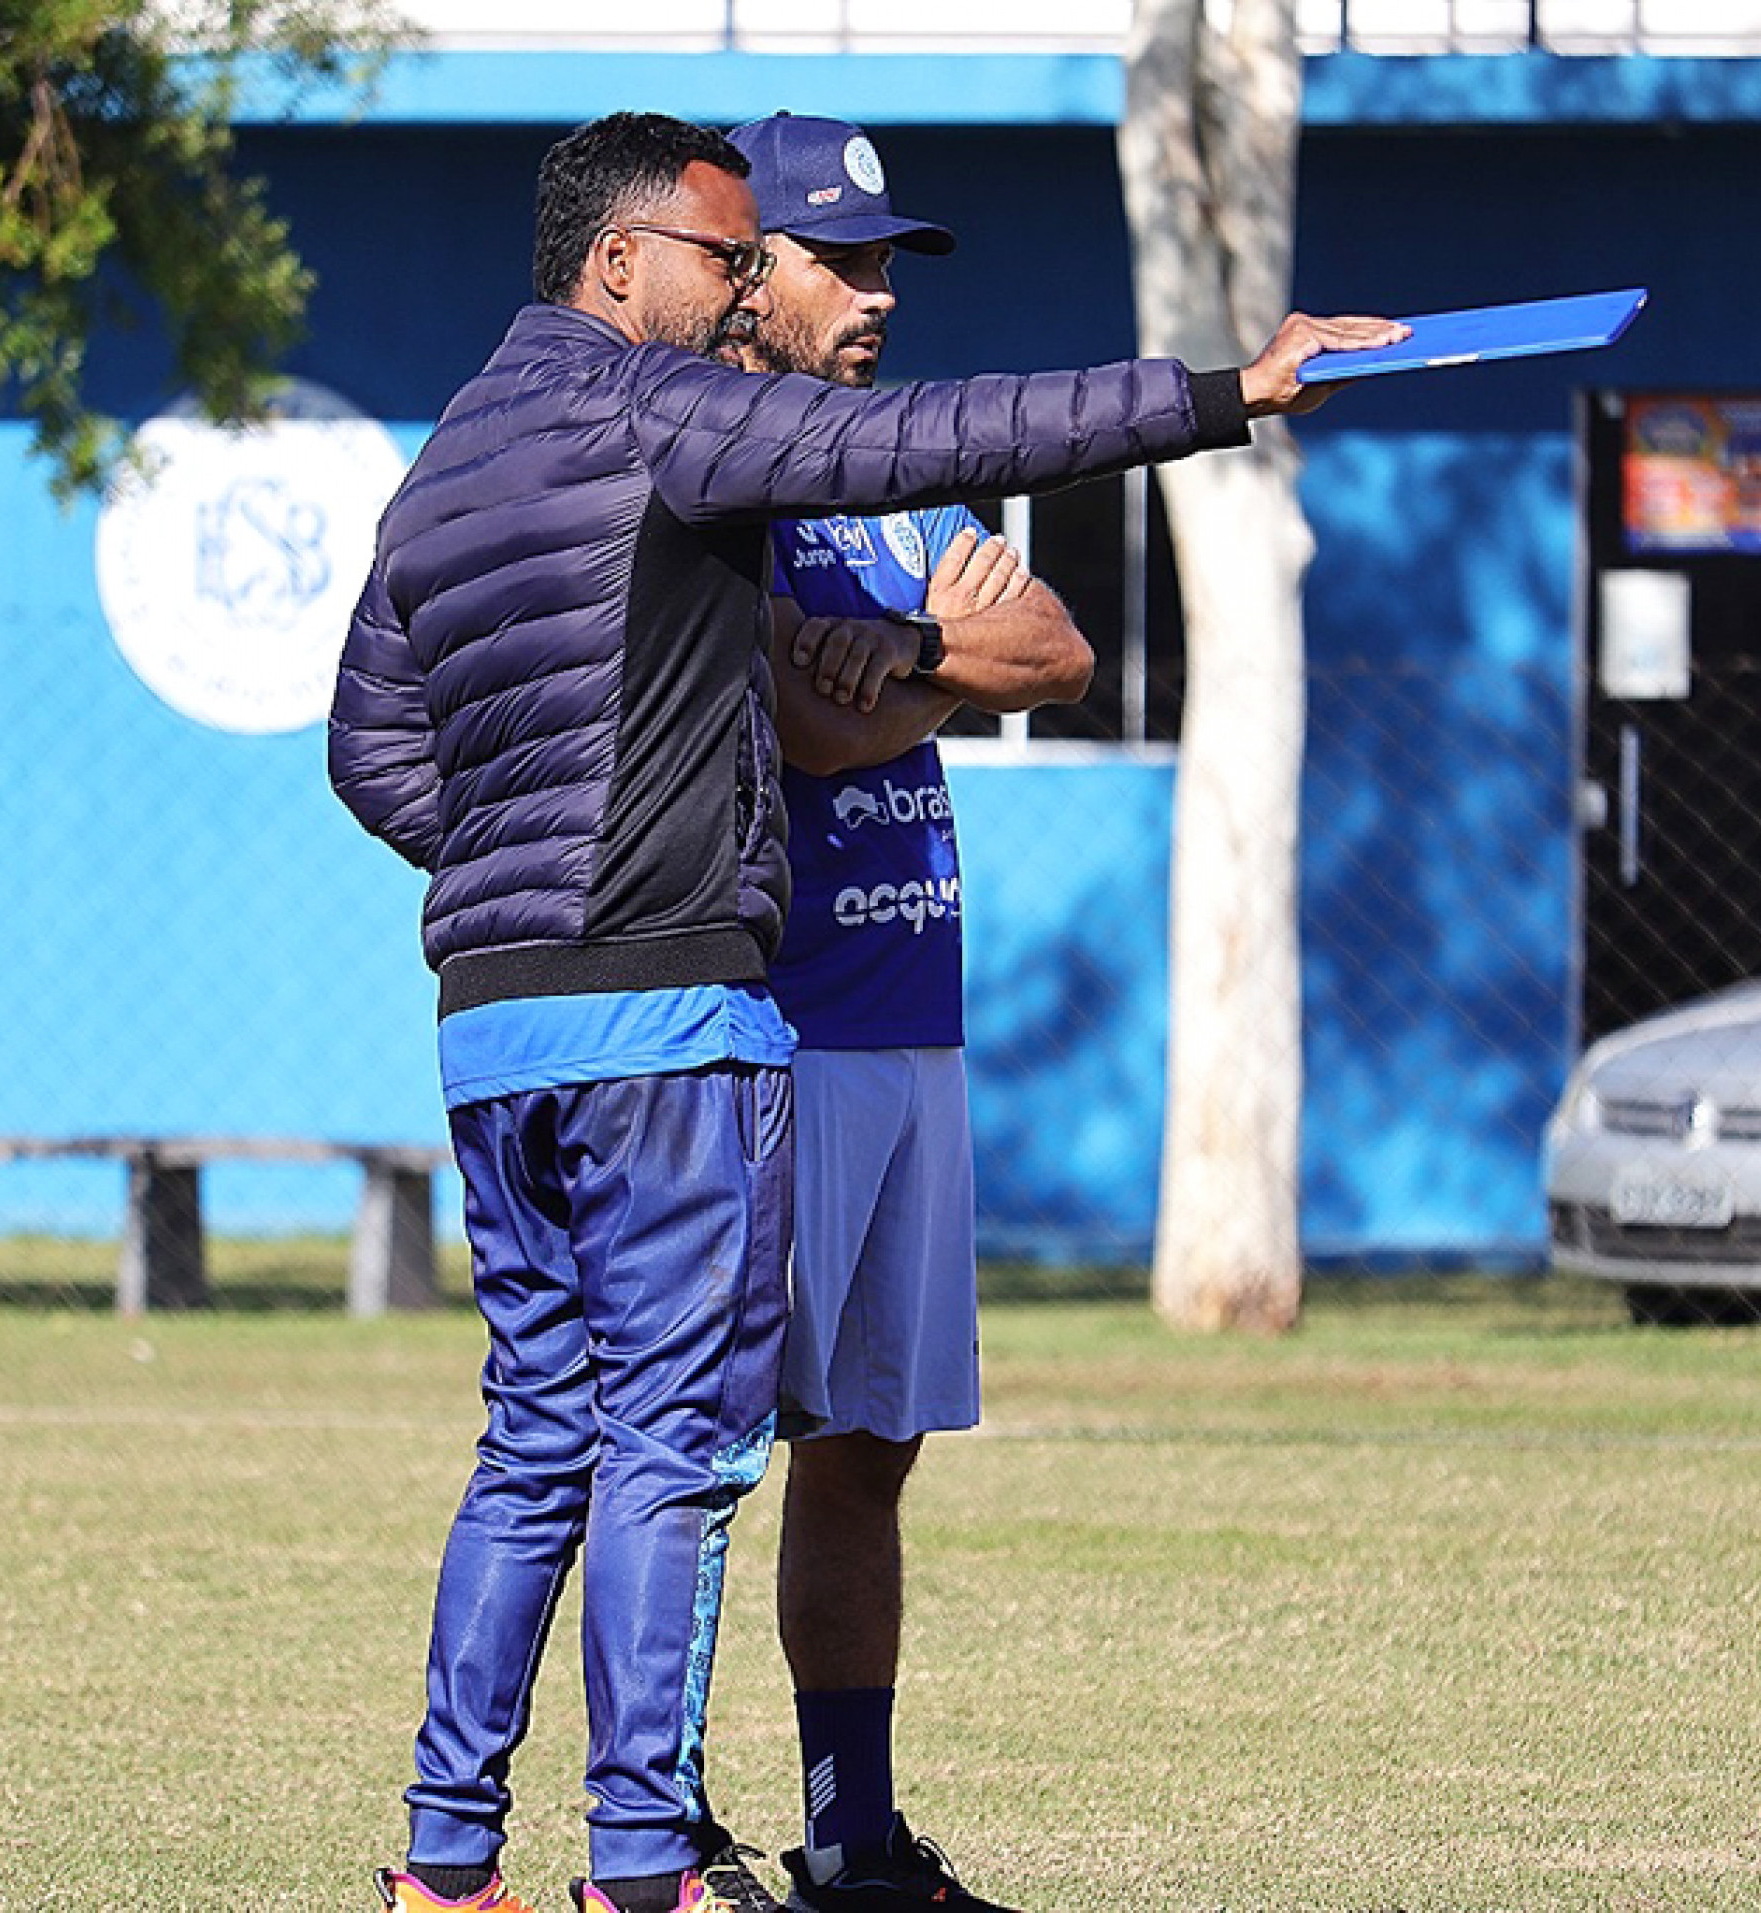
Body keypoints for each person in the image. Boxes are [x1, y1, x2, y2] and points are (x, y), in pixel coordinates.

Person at [328, 109, 1403, 1913]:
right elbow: (937, 436)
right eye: (723, 258)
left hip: (493, 1024)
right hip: (665, 1016)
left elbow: (368, 747)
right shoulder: (652, 405)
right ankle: (641, 1870)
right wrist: (1231, 389)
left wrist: (529, 867)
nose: (747, 286)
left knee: (536, 1436)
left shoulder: (444, 459)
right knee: (677, 1444)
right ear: (619, 262)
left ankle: (447, 1864)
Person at [722, 112, 1080, 1913]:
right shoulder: (720, 487)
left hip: (914, 1021)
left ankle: (850, 1839)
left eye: (885, 264)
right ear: (740, 272)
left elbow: (1058, 652)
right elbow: (802, 724)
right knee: (696, 1452)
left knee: (871, 1448)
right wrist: (929, 670)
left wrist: (920, 655)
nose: (871, 295)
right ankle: (651, 1834)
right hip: (772, 1034)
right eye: (836, 259)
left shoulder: (901, 476)